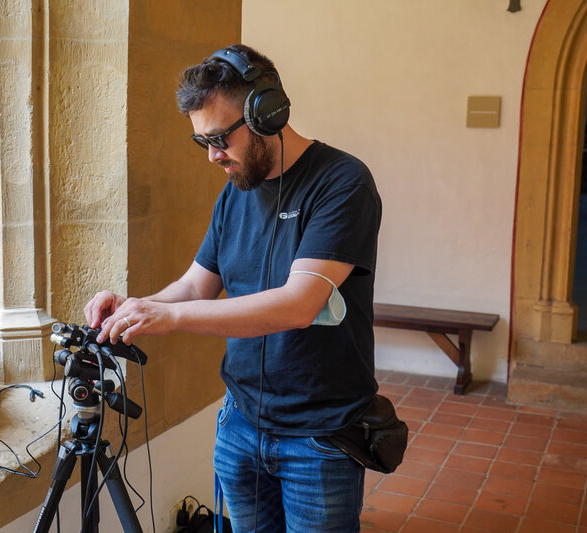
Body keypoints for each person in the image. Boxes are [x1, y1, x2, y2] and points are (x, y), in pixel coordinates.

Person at [84, 44, 381, 532]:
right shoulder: (236, 192)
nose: (213, 155)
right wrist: (137, 305)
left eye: (220, 137)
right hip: (239, 424)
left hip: (319, 436)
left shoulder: (343, 182)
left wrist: (170, 317)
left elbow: (299, 304)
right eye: (202, 141)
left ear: (269, 113)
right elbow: (194, 287)